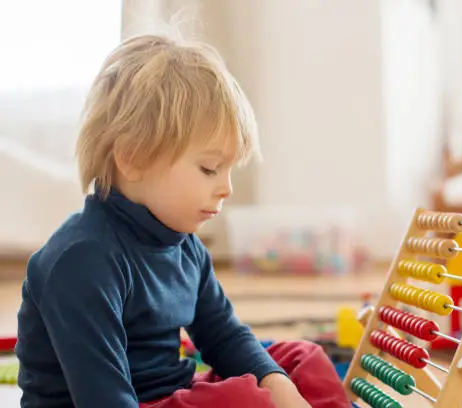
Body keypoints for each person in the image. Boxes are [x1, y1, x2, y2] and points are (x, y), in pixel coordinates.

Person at [15, 34, 352, 408]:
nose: (226, 188)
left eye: (229, 170)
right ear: (132, 157)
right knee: (243, 399)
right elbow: (102, 397)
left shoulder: (185, 245)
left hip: (168, 394)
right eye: (209, 168)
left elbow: (223, 336)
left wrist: (279, 386)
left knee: (300, 359)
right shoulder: (81, 261)